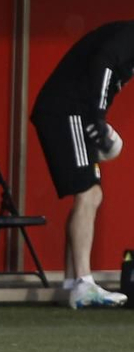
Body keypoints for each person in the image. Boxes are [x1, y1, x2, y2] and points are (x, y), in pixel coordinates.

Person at [30, 21, 133, 308]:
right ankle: (83, 285)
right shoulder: (129, 36)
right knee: (89, 193)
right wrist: (98, 118)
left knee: (89, 194)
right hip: (67, 110)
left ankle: (72, 281)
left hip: (71, 111)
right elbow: (105, 63)